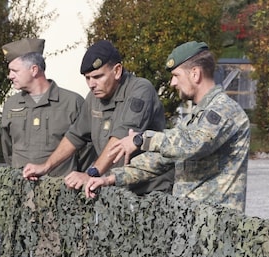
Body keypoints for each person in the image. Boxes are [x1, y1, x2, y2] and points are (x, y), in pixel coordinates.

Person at [85, 41, 250, 212]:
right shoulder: (194, 118)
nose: (172, 83)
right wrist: (109, 179)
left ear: (195, 74)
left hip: (217, 227)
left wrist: (142, 139)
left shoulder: (224, 110)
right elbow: (160, 159)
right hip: (193, 223)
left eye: (176, 75)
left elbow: (193, 144)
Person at [22, 40, 173, 194]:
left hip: (149, 192)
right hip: (113, 189)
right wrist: (46, 166)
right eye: (87, 78)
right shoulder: (94, 97)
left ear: (117, 71)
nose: (91, 84)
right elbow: (75, 135)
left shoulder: (140, 90)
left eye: (97, 77)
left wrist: (90, 174)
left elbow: (120, 139)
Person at [0, 38, 88, 177]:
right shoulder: (12, 104)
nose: (10, 76)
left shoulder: (72, 103)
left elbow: (86, 149)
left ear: (34, 70)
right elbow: (7, 149)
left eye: (15, 70)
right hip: (22, 191)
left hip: (62, 191)